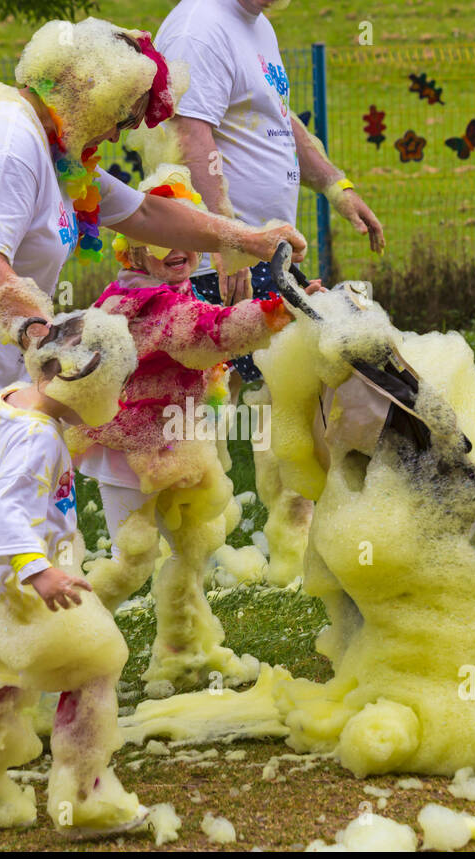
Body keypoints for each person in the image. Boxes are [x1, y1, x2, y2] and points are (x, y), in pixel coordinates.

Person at [0, 17, 306, 777]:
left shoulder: (58, 151)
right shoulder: (7, 141)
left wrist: (246, 239)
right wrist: (42, 335)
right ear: (89, 91)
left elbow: (146, 212)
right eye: (125, 114)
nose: (127, 130)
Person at [148, 0, 385, 585]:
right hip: (218, 255)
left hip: (265, 252)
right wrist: (228, 238)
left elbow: (284, 123)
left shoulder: (258, 26)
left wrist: (337, 186)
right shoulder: (201, 25)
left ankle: (287, 546)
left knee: (284, 397)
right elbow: (188, 131)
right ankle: (183, 568)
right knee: (201, 411)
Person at [72, 165, 321, 696]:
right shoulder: (150, 304)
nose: (177, 249)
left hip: (167, 443)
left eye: (187, 239)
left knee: (190, 549)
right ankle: (65, 651)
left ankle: (186, 650)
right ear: (132, 250)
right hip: (130, 452)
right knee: (131, 560)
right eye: (162, 240)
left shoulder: (142, 292)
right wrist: (280, 309)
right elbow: (210, 335)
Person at [0, 307, 147, 836]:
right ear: (76, 380)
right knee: (95, 666)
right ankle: (86, 799)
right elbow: (7, 508)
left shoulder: (10, 402)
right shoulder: (38, 436)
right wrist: (39, 570)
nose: (113, 403)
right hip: (22, 583)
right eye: (112, 387)